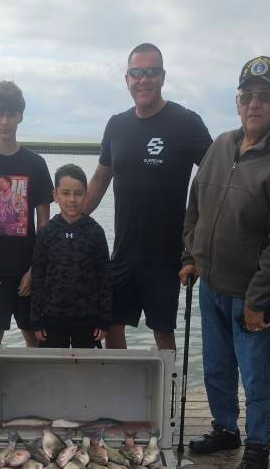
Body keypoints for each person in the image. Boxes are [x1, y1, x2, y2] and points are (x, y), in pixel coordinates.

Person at [182, 56, 270, 469]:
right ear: (237, 102)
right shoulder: (219, 145)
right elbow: (195, 206)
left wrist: (258, 300)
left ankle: (257, 445)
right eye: (247, 96)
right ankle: (225, 429)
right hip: (211, 285)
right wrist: (189, 256)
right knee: (216, 367)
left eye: (265, 95)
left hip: (253, 298)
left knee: (255, 377)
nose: (254, 104)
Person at [85, 43, 211, 351]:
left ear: (163, 77)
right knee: (112, 328)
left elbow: (214, 181)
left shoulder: (186, 122)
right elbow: (101, 178)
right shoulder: (116, 124)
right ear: (126, 79)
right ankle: (120, 394)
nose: (144, 80)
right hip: (123, 252)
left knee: (163, 334)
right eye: (137, 73)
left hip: (167, 259)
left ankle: (162, 397)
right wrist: (68, 222)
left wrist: (195, 248)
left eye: (152, 72)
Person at [0, 80, 53, 348]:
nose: (5, 121)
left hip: (28, 272)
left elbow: (45, 224)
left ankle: (34, 391)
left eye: (11, 114)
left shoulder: (35, 164)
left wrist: (35, 270)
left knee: (34, 339)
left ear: (20, 116)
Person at [30, 164, 111, 348]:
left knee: (86, 372)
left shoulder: (95, 232)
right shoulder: (46, 233)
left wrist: (103, 320)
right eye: (65, 193)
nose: (72, 199)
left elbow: (104, 279)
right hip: (52, 320)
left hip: (88, 321)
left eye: (78, 193)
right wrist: (36, 319)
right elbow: (38, 277)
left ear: (86, 195)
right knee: (53, 372)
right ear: (55, 196)